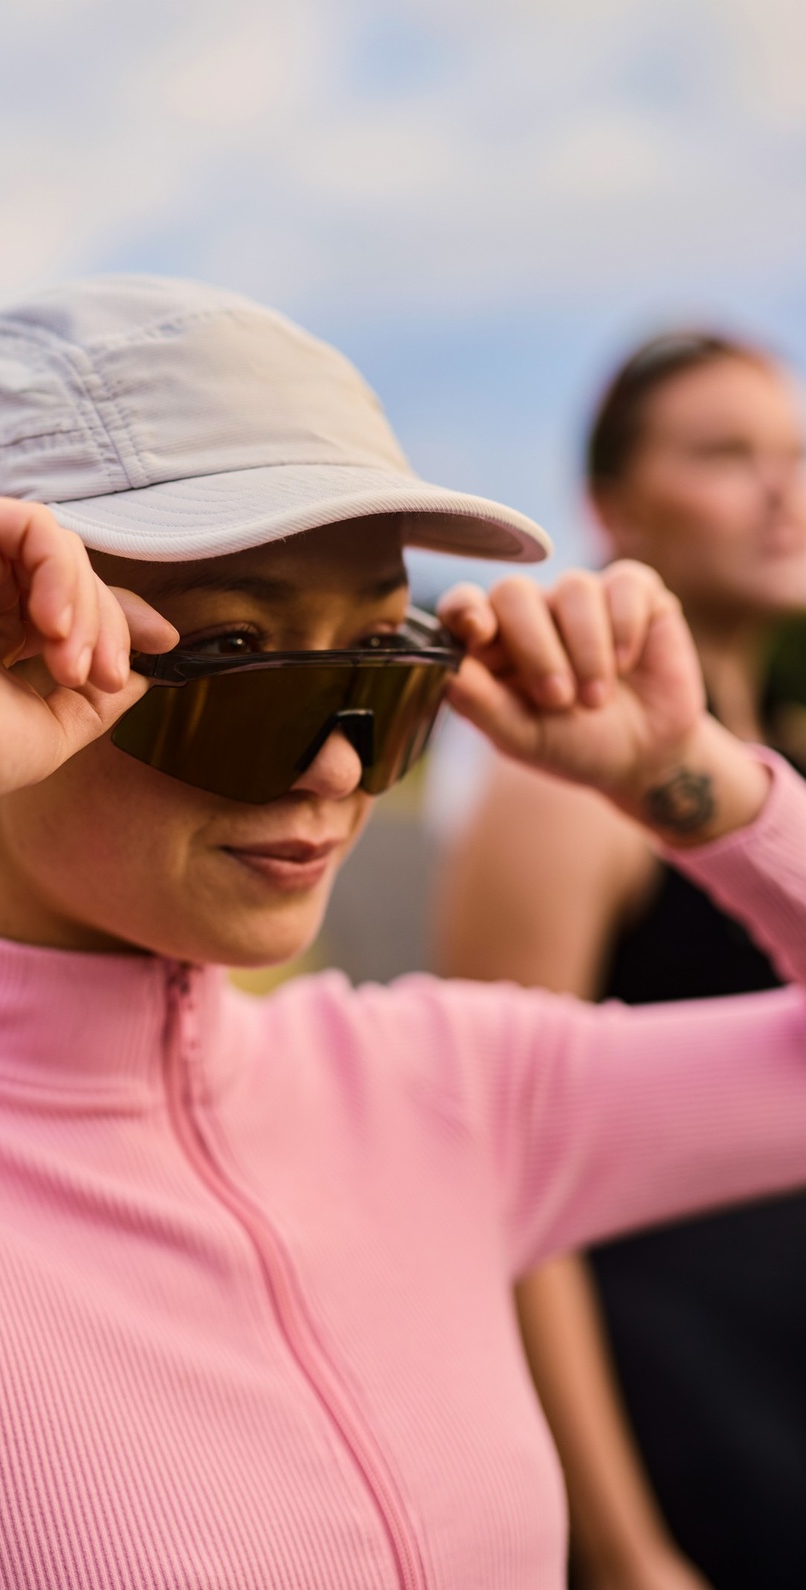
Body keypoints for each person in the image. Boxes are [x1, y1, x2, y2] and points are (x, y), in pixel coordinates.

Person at [0, 279, 806, 1590]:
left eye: (380, 663)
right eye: (240, 657)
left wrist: (693, 777)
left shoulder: (446, 1087)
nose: (337, 765)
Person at [432, 330, 806, 1590]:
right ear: (613, 506)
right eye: (725, 455)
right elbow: (500, 1171)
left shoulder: (779, 760)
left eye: (794, 453)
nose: (781, 491)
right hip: (681, 1420)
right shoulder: (565, 789)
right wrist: (622, 1546)